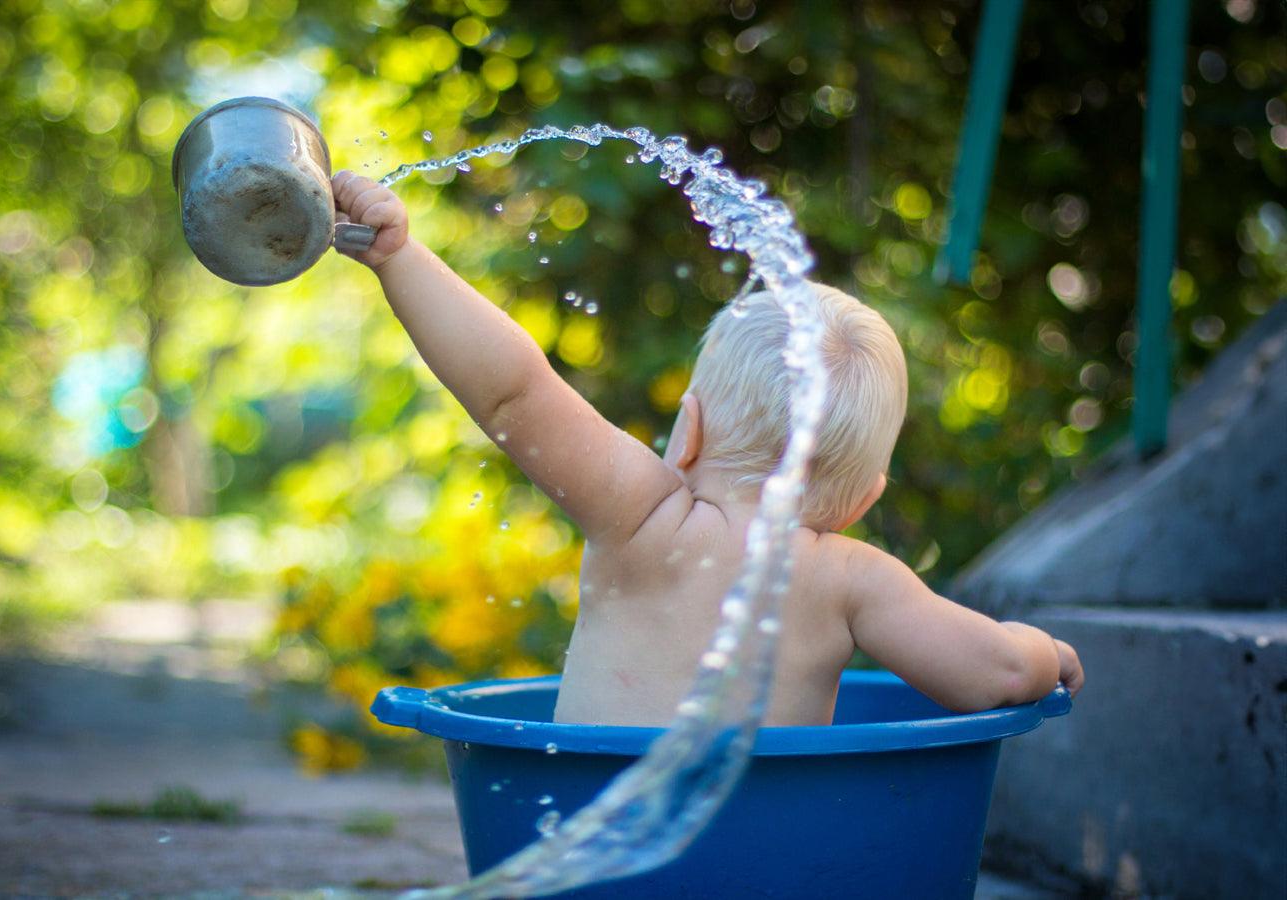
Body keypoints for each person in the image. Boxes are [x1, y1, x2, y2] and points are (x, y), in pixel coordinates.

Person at [329, 170, 1084, 727]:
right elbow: (997, 673)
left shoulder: (642, 520)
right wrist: (1046, 652)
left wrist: (400, 256)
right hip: (764, 865)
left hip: (596, 846)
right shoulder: (853, 580)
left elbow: (514, 393)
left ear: (685, 431)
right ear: (863, 499)